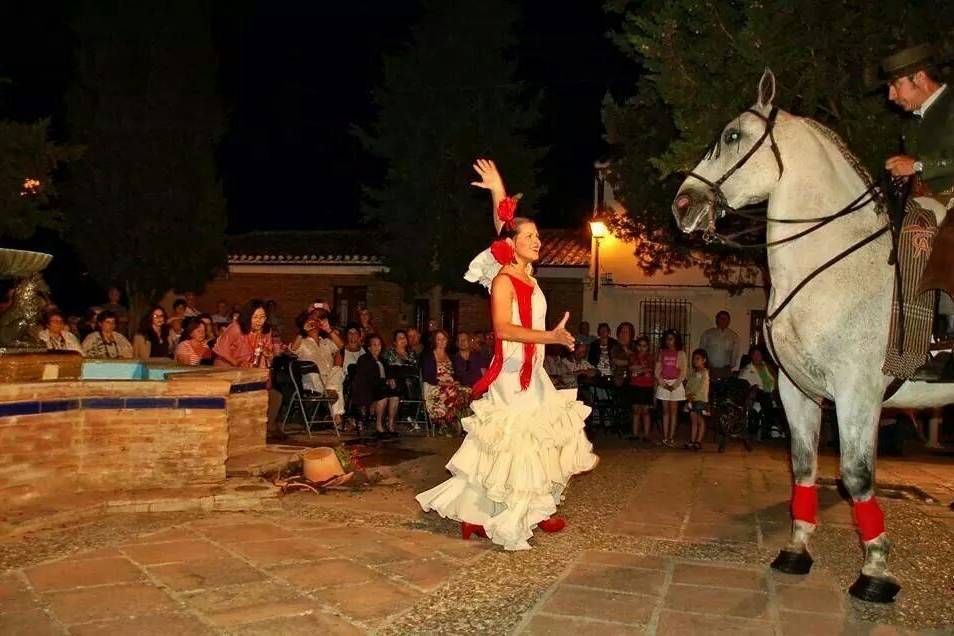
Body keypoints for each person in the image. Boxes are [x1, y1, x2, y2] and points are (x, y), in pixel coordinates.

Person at [417, 158, 597, 551]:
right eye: (530, 235)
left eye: (536, 235)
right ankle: (512, 514)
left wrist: (499, 187)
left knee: (539, 441)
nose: (537, 240)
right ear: (513, 246)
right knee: (518, 445)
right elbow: (503, 331)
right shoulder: (502, 280)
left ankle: (520, 511)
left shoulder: (525, 276)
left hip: (532, 371)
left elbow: (503, 224)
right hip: (512, 373)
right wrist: (549, 336)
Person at [882, 43, 954, 338]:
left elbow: (924, 165)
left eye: (896, 85)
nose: (891, 96)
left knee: (922, 233)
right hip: (930, 202)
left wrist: (919, 166)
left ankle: (945, 333)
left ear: (921, 78)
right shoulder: (918, 120)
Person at [293, 310, 345, 424]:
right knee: (335, 386)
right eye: (311, 321)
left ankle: (329, 392)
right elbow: (293, 349)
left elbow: (340, 345)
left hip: (329, 380)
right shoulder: (302, 342)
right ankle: (336, 415)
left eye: (317, 321)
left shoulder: (325, 341)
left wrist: (328, 330)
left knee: (337, 370)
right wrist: (303, 331)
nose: (314, 324)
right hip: (313, 381)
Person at [351, 334, 400, 436]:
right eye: (374, 345)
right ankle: (379, 426)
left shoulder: (383, 360)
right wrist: (384, 382)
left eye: (379, 344)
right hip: (370, 388)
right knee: (383, 395)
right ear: (369, 347)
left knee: (395, 395)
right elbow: (368, 378)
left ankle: (390, 424)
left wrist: (391, 380)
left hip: (383, 386)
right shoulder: (364, 359)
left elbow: (389, 372)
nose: (378, 347)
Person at [421, 329, 466, 435]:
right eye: (438, 339)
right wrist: (447, 384)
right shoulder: (428, 355)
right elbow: (428, 377)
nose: (441, 342)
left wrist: (457, 381)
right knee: (452, 390)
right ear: (435, 341)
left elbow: (457, 374)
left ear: (447, 341)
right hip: (434, 386)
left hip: (451, 386)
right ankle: (447, 421)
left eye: (444, 339)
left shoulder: (451, 356)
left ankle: (454, 420)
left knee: (466, 391)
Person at [213, 299, 276, 369]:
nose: (259, 321)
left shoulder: (266, 330)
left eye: (262, 317)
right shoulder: (236, 328)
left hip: (249, 368)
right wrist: (237, 363)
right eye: (255, 317)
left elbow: (268, 350)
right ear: (248, 317)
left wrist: (268, 353)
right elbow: (221, 349)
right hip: (227, 366)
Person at [654, 329, 686, 447]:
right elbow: (657, 371)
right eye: (667, 339)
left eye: (671, 339)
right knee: (665, 412)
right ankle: (665, 437)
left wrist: (675, 385)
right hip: (664, 383)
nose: (669, 341)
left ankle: (671, 437)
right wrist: (663, 384)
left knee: (673, 411)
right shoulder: (662, 352)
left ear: (676, 340)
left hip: (675, 384)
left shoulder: (681, 353)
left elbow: (683, 372)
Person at [627, 336, 655, 442]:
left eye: (644, 346)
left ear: (647, 347)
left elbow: (650, 368)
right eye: (640, 345)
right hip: (635, 386)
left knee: (646, 411)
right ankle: (635, 434)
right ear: (636, 346)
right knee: (636, 410)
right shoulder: (633, 356)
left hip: (647, 386)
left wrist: (638, 370)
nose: (642, 348)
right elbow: (630, 367)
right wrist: (643, 370)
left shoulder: (650, 357)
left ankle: (647, 435)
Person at [698, 310, 739, 380]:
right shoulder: (707, 334)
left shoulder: (733, 336)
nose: (723, 320)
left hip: (725, 370)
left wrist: (731, 366)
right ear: (716, 320)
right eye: (721, 318)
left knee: (725, 390)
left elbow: (735, 353)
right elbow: (701, 352)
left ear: (729, 321)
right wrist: (703, 366)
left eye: (725, 319)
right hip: (710, 369)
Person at [684, 348, 710, 451]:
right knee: (693, 420)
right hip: (691, 399)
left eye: (697, 358)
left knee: (700, 420)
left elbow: (702, 387)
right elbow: (688, 385)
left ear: (704, 360)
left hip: (700, 400)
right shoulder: (693, 373)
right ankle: (692, 440)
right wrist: (688, 395)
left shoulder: (705, 373)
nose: (695, 361)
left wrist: (693, 395)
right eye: (694, 359)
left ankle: (698, 441)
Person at [610, 322, 636, 386]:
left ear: (631, 335)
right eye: (621, 332)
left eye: (626, 332)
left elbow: (637, 361)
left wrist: (625, 349)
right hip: (618, 380)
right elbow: (616, 362)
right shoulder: (615, 347)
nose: (623, 334)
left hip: (634, 380)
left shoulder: (636, 346)